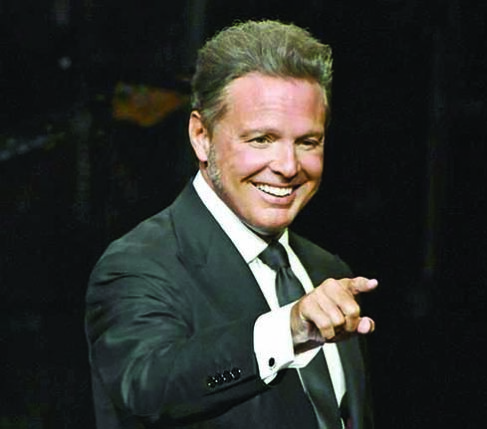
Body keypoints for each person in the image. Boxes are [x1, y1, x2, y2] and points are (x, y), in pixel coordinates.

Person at [85, 20, 377, 429]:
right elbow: (148, 389)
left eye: (307, 142)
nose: (288, 166)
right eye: (261, 139)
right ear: (201, 136)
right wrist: (287, 330)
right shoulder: (138, 264)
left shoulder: (326, 270)